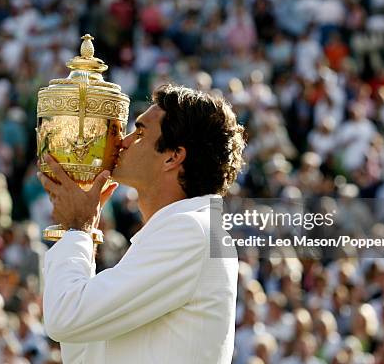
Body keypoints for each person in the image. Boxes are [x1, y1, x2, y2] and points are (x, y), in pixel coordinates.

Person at [37, 84, 246, 363]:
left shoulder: (191, 232)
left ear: (173, 157)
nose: (123, 141)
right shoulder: (184, 230)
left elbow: (65, 318)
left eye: (141, 131)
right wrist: (80, 228)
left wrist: (79, 230)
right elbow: (82, 345)